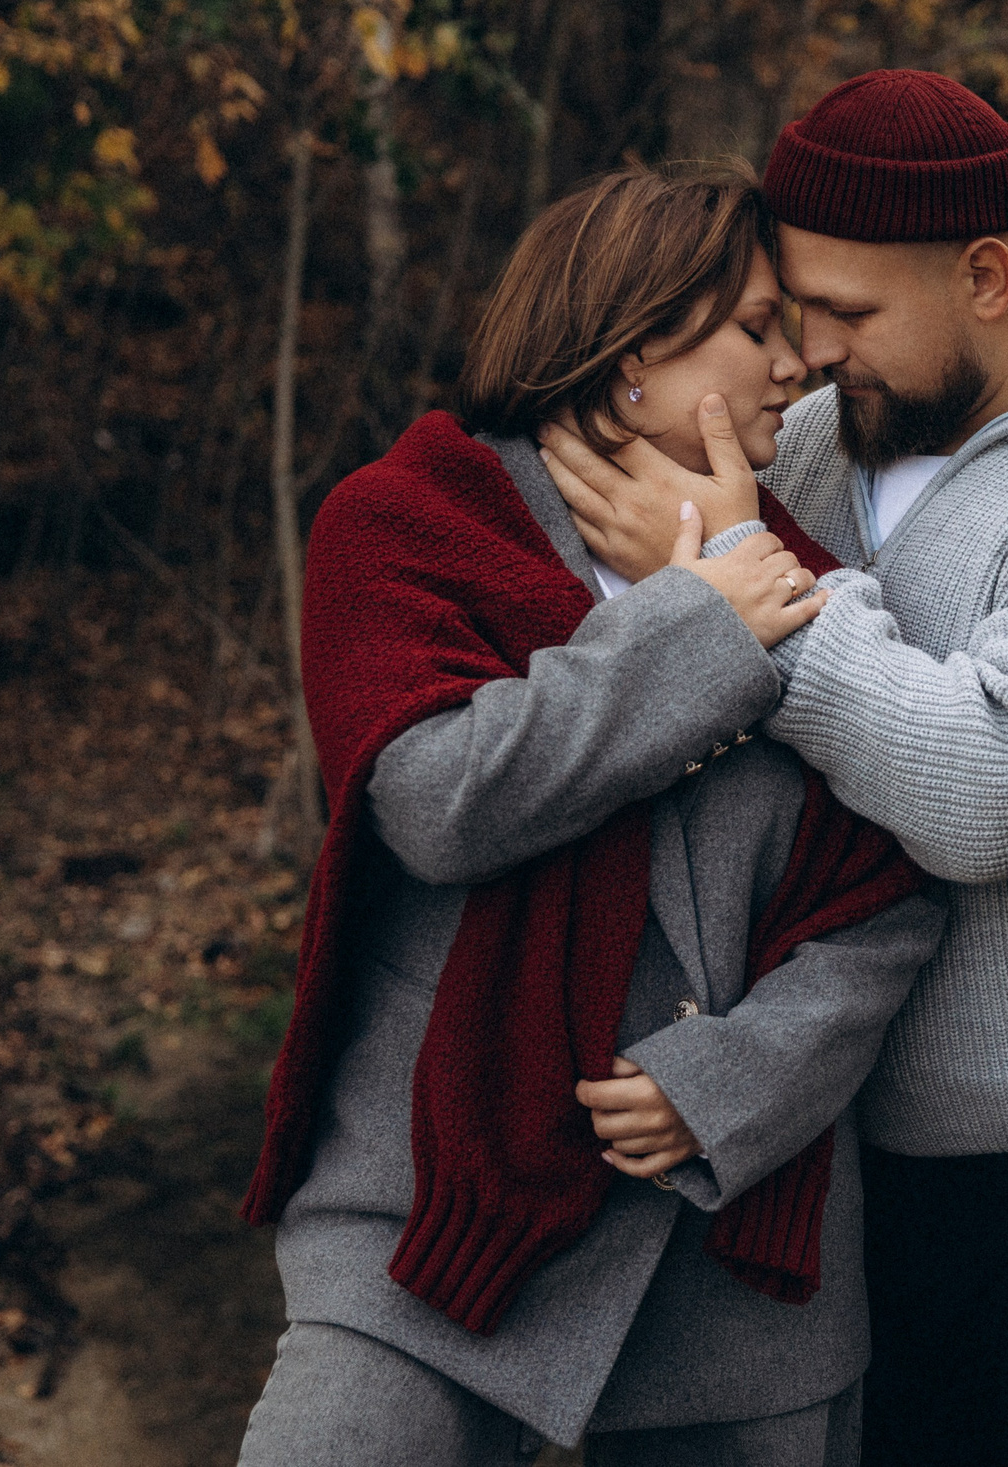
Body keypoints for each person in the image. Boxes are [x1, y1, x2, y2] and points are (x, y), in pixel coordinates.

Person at [541, 68, 1008, 1467]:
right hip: (818, 1170)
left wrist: (728, 585)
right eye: (794, 308)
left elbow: (987, 789)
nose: (808, 353)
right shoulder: (810, 445)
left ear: (989, 275)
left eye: (850, 313)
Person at [236, 160, 945, 1466]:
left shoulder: (816, 588)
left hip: (732, 1269)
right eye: (755, 328)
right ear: (631, 345)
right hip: (424, 1225)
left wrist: (728, 1087)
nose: (799, 369)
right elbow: (438, 803)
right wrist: (698, 624)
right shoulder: (401, 525)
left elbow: (888, 903)